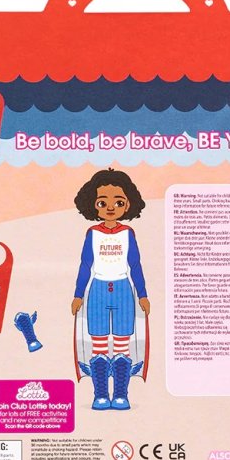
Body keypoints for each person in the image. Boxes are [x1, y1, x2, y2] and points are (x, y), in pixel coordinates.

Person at [71, 169, 150, 410]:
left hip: (124, 290)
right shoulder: (92, 233)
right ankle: (101, 395)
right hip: (97, 290)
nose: (111, 208)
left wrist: (143, 294)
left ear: (128, 204)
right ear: (92, 204)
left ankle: (121, 394)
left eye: (118, 202)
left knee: (123, 343)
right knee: (99, 344)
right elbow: (85, 264)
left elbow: (135, 264)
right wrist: (78, 294)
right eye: (102, 202)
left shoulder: (128, 233)